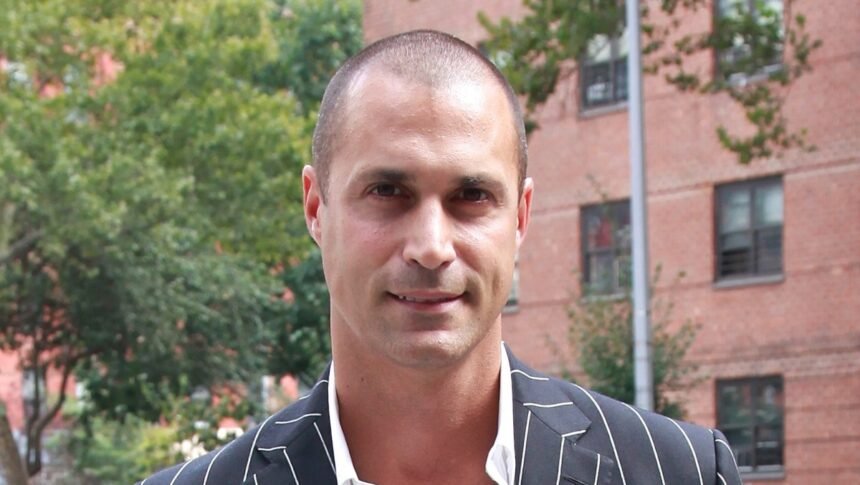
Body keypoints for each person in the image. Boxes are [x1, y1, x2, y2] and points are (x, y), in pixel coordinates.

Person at [140, 30, 742, 485]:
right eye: (387, 191)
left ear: (521, 217)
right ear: (316, 207)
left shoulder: (680, 471)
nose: (431, 246)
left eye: (471, 196)